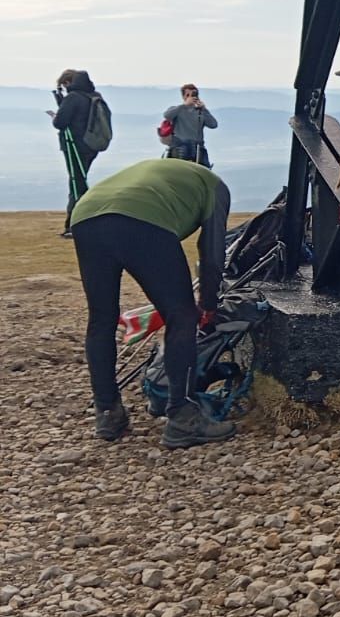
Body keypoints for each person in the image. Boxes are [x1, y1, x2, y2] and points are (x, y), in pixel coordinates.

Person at [69, 158, 238, 448]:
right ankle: (183, 417)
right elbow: (212, 254)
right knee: (182, 316)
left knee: (101, 318)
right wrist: (208, 303)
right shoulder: (216, 187)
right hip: (141, 218)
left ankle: (108, 413)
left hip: (85, 215)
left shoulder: (166, 175)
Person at [49, 69, 105, 236]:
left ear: (68, 82)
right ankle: (78, 222)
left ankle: (75, 224)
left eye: (64, 85)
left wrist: (56, 115)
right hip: (91, 145)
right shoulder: (94, 96)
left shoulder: (73, 98)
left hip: (75, 146)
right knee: (79, 180)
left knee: (76, 183)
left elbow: (60, 123)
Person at [164, 84, 217, 167]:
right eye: (188, 95)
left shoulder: (200, 112)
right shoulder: (177, 109)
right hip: (180, 147)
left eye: (194, 94)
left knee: (203, 170)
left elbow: (213, 125)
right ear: (183, 96)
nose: (191, 97)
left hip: (198, 147)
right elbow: (167, 115)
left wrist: (204, 109)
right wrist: (184, 105)